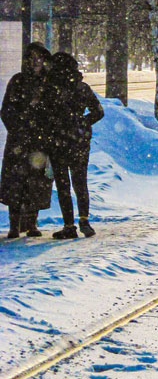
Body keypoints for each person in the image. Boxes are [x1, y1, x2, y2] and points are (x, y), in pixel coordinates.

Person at [44, 52, 103, 239]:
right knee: (80, 183)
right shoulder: (82, 88)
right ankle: (84, 220)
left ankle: (69, 225)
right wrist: (83, 122)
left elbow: (44, 114)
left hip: (58, 142)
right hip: (79, 142)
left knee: (63, 185)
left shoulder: (51, 89)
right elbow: (98, 112)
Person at [0, 42, 54, 238]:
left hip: (39, 143)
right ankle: (14, 224)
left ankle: (31, 223)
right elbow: (6, 110)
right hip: (19, 142)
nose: (36, 62)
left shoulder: (48, 83)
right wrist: (19, 129)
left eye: (39, 58)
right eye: (31, 58)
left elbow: (52, 111)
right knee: (16, 182)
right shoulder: (17, 81)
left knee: (37, 182)